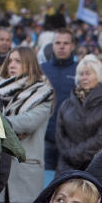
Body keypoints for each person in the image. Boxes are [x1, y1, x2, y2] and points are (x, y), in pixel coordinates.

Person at [0, 46, 55, 203]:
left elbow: (28, 122)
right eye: (10, 61)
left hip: (25, 173)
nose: (12, 65)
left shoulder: (43, 93)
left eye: (18, 61)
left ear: (30, 63)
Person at [56, 54, 102, 174]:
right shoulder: (66, 104)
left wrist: (76, 153)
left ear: (98, 75)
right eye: (81, 74)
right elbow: (60, 135)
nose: (84, 77)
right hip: (66, 166)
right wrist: (70, 154)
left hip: (95, 166)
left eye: (88, 73)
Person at [41, 28, 78, 173]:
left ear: (72, 46)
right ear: (52, 45)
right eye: (58, 43)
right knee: (45, 183)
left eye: (65, 43)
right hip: (46, 138)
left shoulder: (80, 70)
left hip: (72, 140)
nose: (61, 46)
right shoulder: (42, 70)